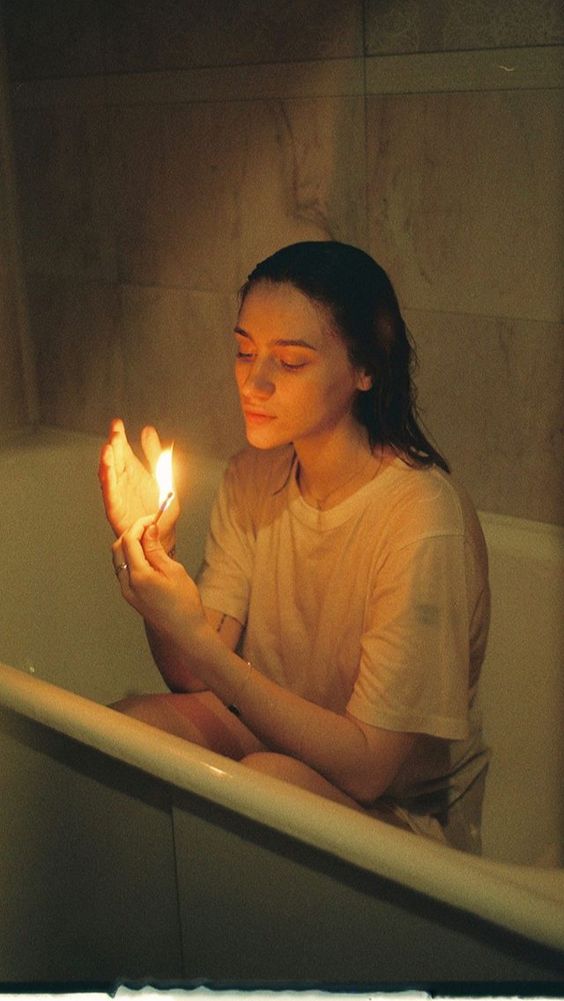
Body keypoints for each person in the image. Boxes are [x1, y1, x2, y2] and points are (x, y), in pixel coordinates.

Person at [99, 241, 490, 853]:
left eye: (291, 361)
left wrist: (202, 644)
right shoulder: (251, 477)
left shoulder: (419, 515)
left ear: (365, 369)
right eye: (244, 351)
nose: (254, 382)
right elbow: (188, 673)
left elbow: (368, 768)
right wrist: (155, 555)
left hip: (402, 816)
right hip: (277, 746)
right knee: (127, 730)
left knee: (264, 782)